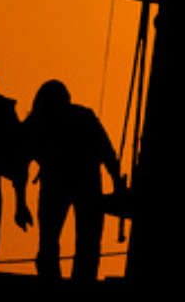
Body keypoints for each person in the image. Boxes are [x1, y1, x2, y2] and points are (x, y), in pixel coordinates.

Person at [23, 80, 123, 281]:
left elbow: (19, 160)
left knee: (55, 240)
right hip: (81, 184)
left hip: (63, 185)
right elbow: (107, 153)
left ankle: (56, 277)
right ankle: (78, 278)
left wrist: (21, 200)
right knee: (85, 240)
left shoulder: (38, 121)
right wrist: (117, 183)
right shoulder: (82, 117)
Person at [0, 65, 33, 268]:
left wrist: (20, 204)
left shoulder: (3, 111)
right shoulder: (3, 111)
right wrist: (20, 204)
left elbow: (19, 159)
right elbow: (19, 160)